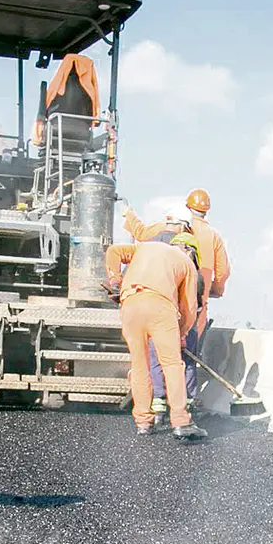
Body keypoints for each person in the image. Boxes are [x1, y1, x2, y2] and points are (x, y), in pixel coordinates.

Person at [105, 234, 208, 439]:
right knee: (172, 365)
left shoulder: (145, 247)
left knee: (140, 365)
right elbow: (188, 307)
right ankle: (180, 421)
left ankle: (143, 422)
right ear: (190, 251)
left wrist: (115, 280)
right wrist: (183, 333)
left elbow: (113, 251)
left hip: (130, 305)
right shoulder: (186, 262)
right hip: (160, 307)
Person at [184, 188, 232, 336]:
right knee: (192, 347)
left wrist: (129, 216)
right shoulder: (213, 236)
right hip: (199, 301)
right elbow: (223, 271)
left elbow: (143, 233)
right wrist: (216, 289)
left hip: (173, 300)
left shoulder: (180, 229)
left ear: (187, 207)